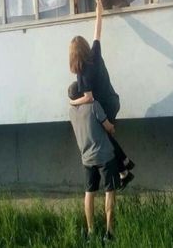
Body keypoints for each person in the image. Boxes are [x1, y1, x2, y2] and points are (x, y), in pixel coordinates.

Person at [69, 0, 134, 187]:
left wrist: (73, 103)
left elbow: (88, 98)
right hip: (113, 100)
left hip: (103, 106)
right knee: (106, 137)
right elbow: (97, 31)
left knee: (104, 139)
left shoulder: (82, 72)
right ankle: (125, 167)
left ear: (73, 55)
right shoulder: (95, 52)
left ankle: (123, 170)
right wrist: (98, 6)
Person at [68, 81, 120, 242]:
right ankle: (109, 233)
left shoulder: (71, 112)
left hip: (87, 158)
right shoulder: (94, 105)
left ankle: (91, 232)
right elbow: (108, 127)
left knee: (89, 193)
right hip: (105, 156)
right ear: (83, 93)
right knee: (109, 191)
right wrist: (112, 127)